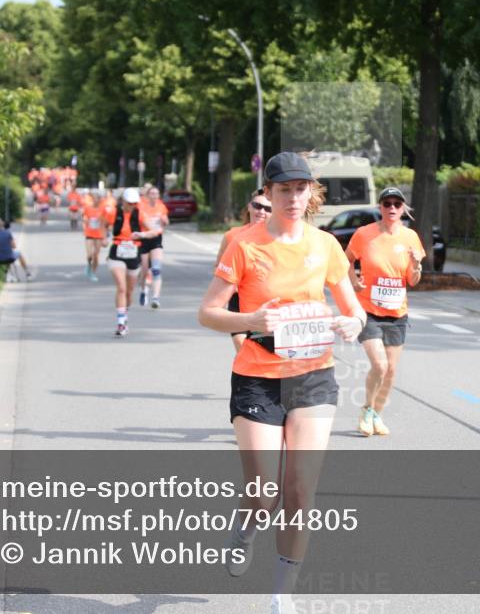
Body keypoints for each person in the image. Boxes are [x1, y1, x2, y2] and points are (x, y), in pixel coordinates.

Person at [197, 152, 366, 613]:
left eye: (301, 188)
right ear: (267, 193)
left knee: (300, 490)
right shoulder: (243, 244)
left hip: (313, 376)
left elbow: (354, 307)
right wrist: (251, 318)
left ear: (312, 193)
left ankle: (280, 595)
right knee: (264, 491)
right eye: (284, 189)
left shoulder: (326, 245)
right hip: (257, 378)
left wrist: (353, 323)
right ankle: (248, 526)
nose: (294, 197)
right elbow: (208, 312)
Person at [345, 186, 426, 437]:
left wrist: (415, 264)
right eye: (387, 204)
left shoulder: (411, 237)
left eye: (396, 204)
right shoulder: (364, 234)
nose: (391, 208)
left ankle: (375, 414)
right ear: (380, 207)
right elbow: (346, 259)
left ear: (403, 209)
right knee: (379, 365)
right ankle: (367, 411)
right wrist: (353, 280)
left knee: (390, 370)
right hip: (368, 310)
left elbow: (413, 280)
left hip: (397, 314)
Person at [215, 189, 272, 352]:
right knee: (242, 346)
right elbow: (219, 266)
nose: (261, 211)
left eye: (268, 209)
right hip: (238, 299)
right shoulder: (232, 236)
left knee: (262, 351)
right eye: (257, 206)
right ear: (249, 207)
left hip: (264, 300)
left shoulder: (276, 237)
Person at [107, 187, 162, 337]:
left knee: (129, 291)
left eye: (134, 203)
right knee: (122, 287)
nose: (132, 206)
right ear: (123, 201)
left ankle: (124, 314)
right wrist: (104, 236)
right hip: (117, 253)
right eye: (129, 203)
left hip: (133, 254)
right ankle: (120, 322)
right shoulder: (113, 212)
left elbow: (155, 230)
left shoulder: (140, 214)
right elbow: (102, 223)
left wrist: (142, 234)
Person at [137, 185, 170, 308]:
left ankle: (155, 298)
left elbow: (166, 220)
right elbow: (144, 222)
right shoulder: (142, 207)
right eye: (152, 194)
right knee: (145, 269)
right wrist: (154, 229)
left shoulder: (161, 206)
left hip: (156, 240)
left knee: (156, 269)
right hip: (144, 239)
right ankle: (143, 290)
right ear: (148, 195)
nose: (154, 196)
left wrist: (164, 221)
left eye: (156, 194)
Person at [82, 191, 107, 281]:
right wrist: (85, 223)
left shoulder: (102, 209)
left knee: (96, 255)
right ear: (93, 199)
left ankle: (92, 272)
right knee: (89, 255)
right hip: (89, 233)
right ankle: (89, 265)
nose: (96, 201)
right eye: (95, 199)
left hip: (99, 235)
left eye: (98, 199)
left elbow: (104, 223)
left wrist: (105, 237)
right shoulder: (87, 208)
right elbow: (84, 218)